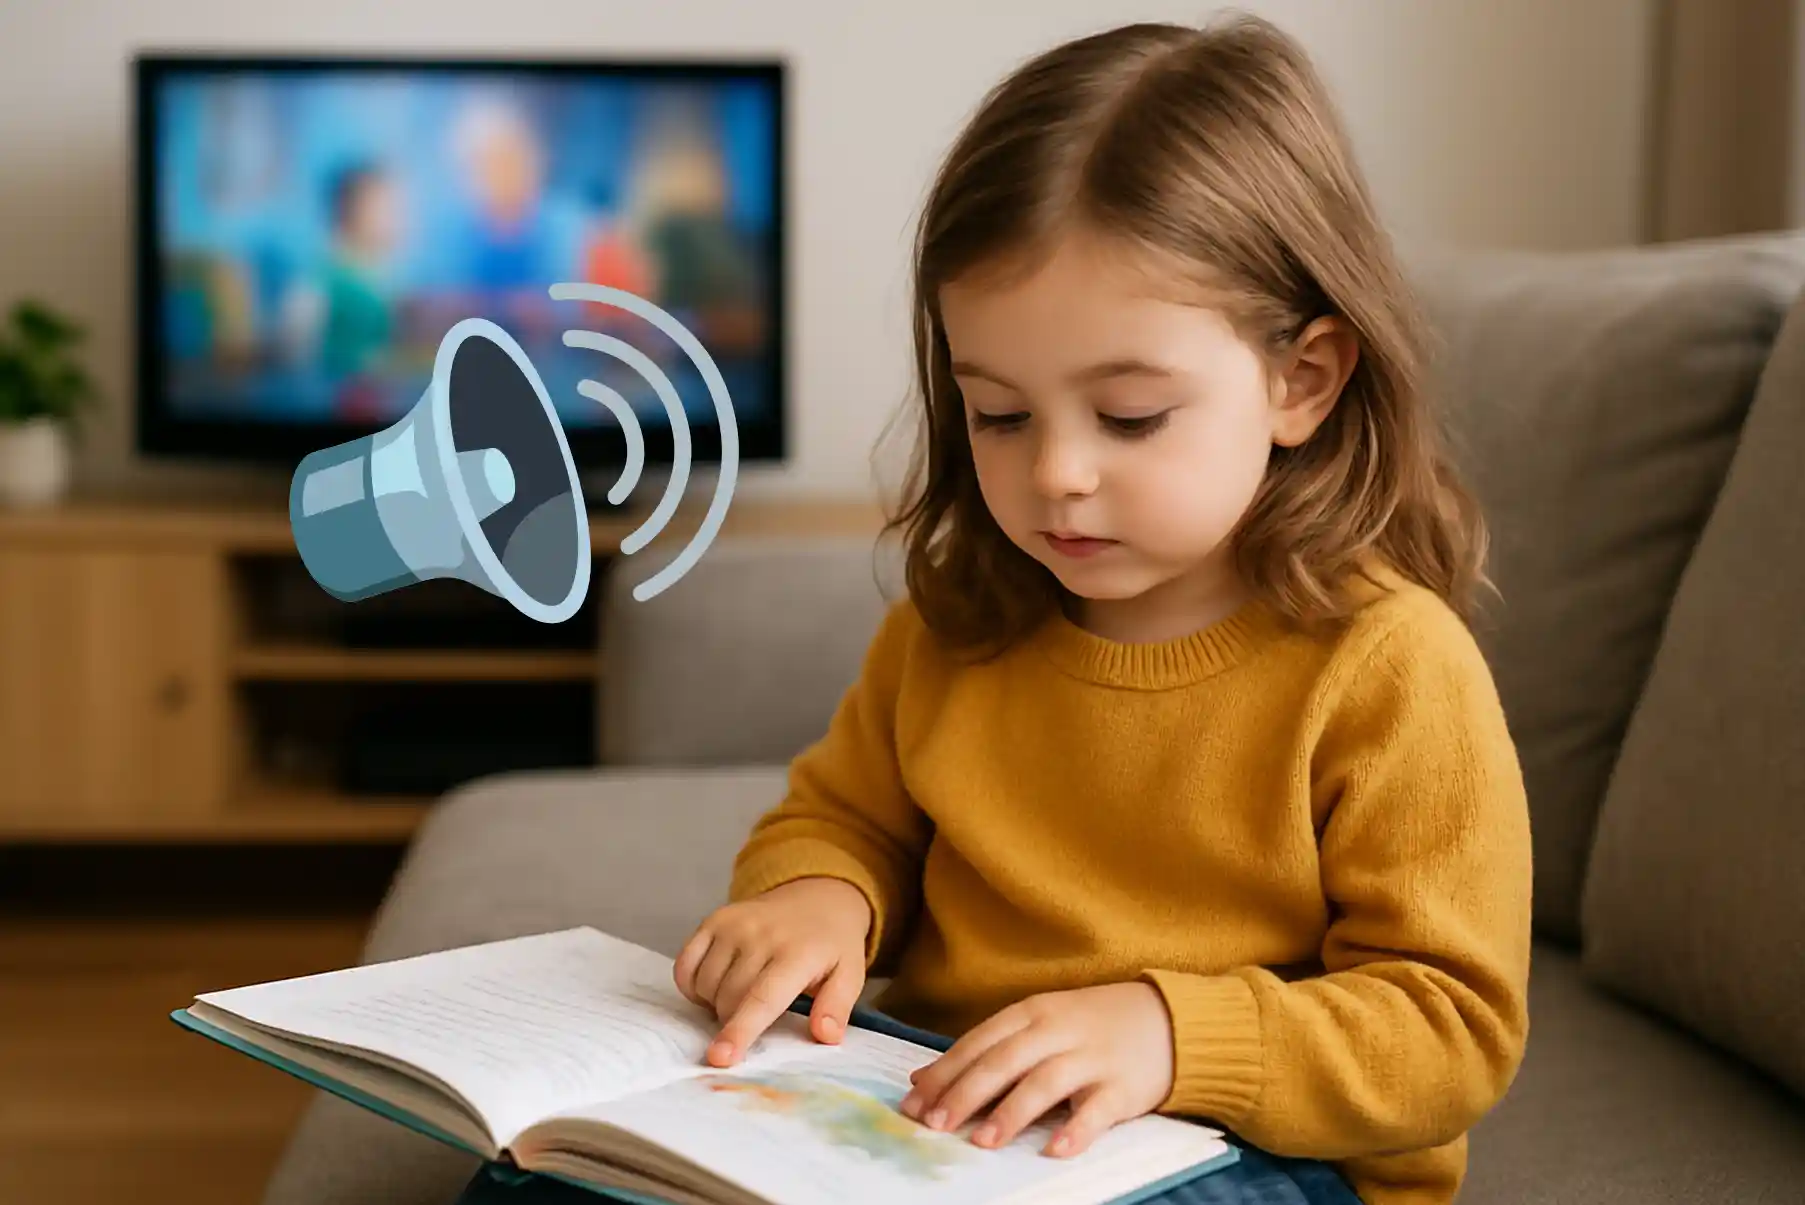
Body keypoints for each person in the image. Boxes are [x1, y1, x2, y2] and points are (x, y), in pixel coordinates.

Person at [672, 14, 1532, 1205]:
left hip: (1247, 1145)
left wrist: (1171, 1034)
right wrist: (818, 893)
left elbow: (1447, 1028)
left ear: (1301, 380)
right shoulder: (959, 618)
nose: (1055, 473)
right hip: (942, 1095)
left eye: (1127, 417)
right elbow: (846, 817)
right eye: (1000, 415)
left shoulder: (1386, 664)